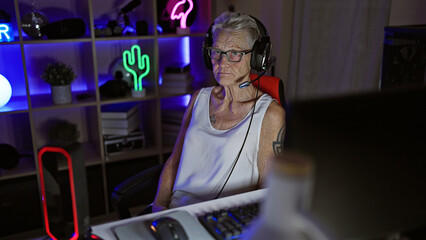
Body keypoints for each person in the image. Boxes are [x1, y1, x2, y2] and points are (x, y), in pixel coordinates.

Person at [152, 11, 285, 212]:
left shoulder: (270, 114)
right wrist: (158, 208)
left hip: (222, 220)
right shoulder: (199, 98)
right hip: (175, 214)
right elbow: (174, 161)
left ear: (258, 58)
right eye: (217, 52)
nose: (222, 63)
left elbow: (267, 191)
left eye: (234, 53)